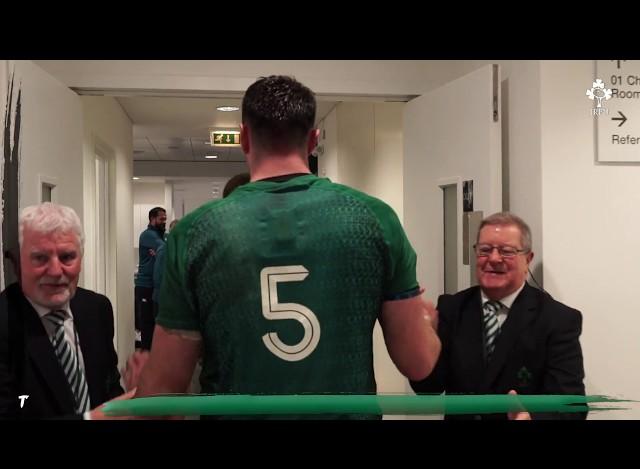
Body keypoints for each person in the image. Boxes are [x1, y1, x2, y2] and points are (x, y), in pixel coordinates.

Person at [134, 75, 441, 419]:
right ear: (313, 139)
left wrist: (141, 385)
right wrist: (427, 321)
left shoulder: (195, 232)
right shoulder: (374, 219)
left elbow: (164, 390)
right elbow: (419, 363)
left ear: (244, 138)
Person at [411, 212, 586, 420]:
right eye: (485, 250)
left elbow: (572, 405)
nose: (493, 259)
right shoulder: (452, 308)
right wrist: (420, 335)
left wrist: (533, 418)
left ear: (528, 259)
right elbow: (428, 389)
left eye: (507, 251)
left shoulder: (558, 319)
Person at [0, 202, 144, 419]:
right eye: (40, 258)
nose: (56, 271)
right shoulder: (4, 323)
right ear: (19, 262)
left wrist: (137, 398)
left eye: (67, 257)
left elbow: (107, 392)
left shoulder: (96, 309)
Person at [135, 207, 166, 350]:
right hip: (145, 286)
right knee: (147, 325)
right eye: (161, 219)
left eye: (165, 219)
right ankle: (145, 360)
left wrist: (160, 252)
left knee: (155, 325)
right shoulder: (147, 235)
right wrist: (162, 250)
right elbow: (167, 249)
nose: (164, 222)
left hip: (154, 287)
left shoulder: (160, 236)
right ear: (152, 219)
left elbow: (166, 248)